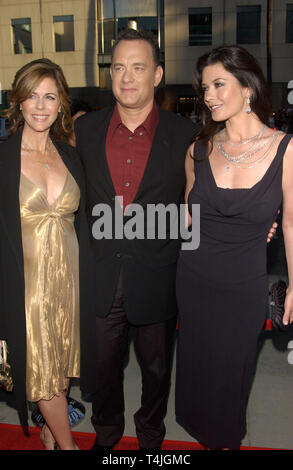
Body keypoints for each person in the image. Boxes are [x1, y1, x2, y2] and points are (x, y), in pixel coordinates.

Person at [74, 28, 197, 451]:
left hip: (158, 278)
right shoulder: (85, 130)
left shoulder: (185, 135)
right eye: (119, 67)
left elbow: (202, 203)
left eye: (138, 67)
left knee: (157, 370)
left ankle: (150, 438)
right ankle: (106, 435)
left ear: (158, 74)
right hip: (100, 275)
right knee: (102, 371)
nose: (126, 77)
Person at [175, 45, 293, 450]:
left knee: (231, 383)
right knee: (199, 379)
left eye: (218, 84)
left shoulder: (286, 150)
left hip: (242, 287)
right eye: (205, 87)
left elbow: (292, 221)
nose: (208, 95)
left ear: (248, 87)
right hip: (193, 283)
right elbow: (186, 220)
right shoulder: (199, 150)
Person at [0, 59, 94, 450]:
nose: (40, 105)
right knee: (39, 368)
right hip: (26, 288)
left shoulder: (70, 155)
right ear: (18, 102)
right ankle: (68, 445)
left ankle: (50, 432)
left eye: (50, 96)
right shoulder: (3, 160)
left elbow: (89, 219)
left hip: (70, 282)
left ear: (61, 105)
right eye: (32, 96)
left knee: (62, 367)